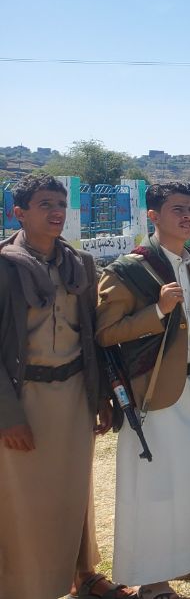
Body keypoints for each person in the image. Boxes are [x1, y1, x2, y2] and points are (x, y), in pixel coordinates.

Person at [97, 181, 190, 597]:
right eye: (178, 209)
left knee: (188, 481)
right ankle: (153, 578)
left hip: (188, 386)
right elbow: (105, 332)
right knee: (153, 487)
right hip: (149, 393)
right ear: (153, 216)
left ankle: (189, 560)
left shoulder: (189, 263)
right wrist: (158, 309)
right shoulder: (128, 269)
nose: (188, 216)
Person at [0, 173, 129, 599]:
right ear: (19, 213)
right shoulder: (3, 267)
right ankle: (23, 587)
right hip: (24, 398)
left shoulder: (81, 264)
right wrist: (8, 416)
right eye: (45, 204)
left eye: (60, 204)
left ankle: (84, 575)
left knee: (76, 489)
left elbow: (92, 336)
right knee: (21, 499)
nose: (56, 212)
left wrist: (102, 396)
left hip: (74, 392)